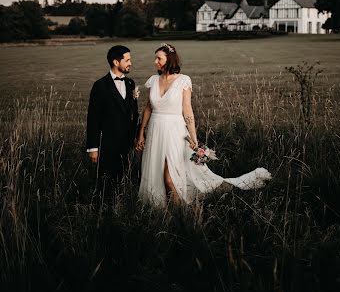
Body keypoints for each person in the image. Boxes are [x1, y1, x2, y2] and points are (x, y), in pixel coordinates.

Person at [136, 43, 271, 206]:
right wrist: (141, 131)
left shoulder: (183, 80)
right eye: (155, 58)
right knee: (155, 172)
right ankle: (160, 210)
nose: (155, 61)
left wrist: (194, 139)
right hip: (155, 131)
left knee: (170, 178)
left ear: (169, 59)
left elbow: (188, 111)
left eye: (159, 58)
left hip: (174, 132)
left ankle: (182, 215)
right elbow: (148, 108)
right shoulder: (153, 80)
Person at [86, 45, 139, 191]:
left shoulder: (130, 83)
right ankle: (103, 209)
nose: (130, 63)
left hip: (126, 142)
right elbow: (93, 118)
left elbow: (134, 113)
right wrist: (93, 147)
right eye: (127, 60)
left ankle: (121, 207)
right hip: (107, 143)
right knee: (106, 181)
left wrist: (137, 136)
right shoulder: (100, 85)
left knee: (123, 178)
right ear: (116, 62)